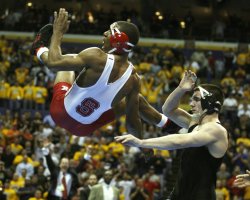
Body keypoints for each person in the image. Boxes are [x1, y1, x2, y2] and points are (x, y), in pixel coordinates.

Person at [31, 8, 169, 140]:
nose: (104, 33)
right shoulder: (134, 80)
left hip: (61, 113)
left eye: (109, 31)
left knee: (65, 66)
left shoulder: (96, 56)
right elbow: (132, 123)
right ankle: (169, 124)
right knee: (136, 101)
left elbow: (54, 62)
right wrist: (142, 144)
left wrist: (57, 34)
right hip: (84, 128)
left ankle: (39, 48)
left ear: (118, 40)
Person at [115, 70, 228, 200]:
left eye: (196, 99)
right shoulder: (194, 122)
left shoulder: (217, 130)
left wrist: (141, 142)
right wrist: (180, 89)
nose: (191, 104)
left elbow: (180, 141)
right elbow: (168, 110)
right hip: (179, 193)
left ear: (210, 102)